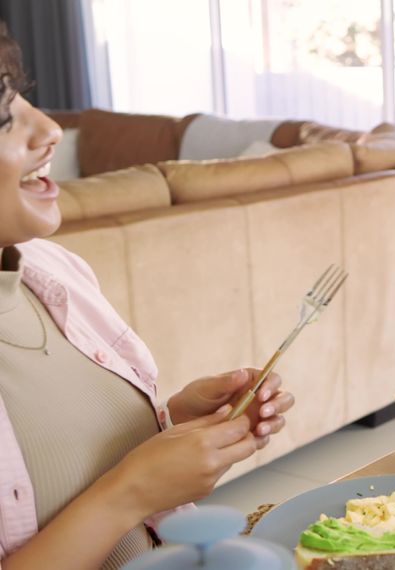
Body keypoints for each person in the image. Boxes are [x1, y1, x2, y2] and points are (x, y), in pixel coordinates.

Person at [0, 26, 294, 568]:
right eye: (3, 115)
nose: (49, 127)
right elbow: (111, 495)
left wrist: (179, 427)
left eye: (20, 94)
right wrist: (132, 491)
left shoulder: (55, 272)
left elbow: (64, 462)